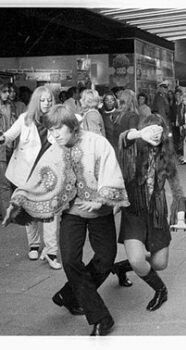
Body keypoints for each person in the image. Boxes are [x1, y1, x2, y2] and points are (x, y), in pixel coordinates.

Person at [3, 104, 130, 335]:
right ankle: (101, 317)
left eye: (59, 129)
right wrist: (17, 201)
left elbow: (111, 168)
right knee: (71, 260)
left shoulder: (97, 142)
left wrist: (101, 199)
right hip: (71, 213)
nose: (55, 135)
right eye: (51, 131)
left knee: (106, 258)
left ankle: (69, 294)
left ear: (72, 125)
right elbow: (37, 178)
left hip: (99, 212)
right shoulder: (55, 149)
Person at [111, 113, 186, 312]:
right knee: (138, 260)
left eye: (158, 131)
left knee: (159, 263)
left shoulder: (167, 156)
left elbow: (177, 188)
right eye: (151, 130)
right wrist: (138, 134)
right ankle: (160, 290)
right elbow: (123, 139)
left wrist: (180, 214)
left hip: (156, 214)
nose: (155, 135)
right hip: (134, 212)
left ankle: (122, 267)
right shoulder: (134, 148)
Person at [0, 86, 61, 269]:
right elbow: (9, 136)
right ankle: (33, 245)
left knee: (51, 212)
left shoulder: (58, 119)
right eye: (42, 100)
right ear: (36, 101)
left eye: (49, 99)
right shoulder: (24, 119)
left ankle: (51, 251)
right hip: (26, 173)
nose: (46, 103)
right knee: (29, 211)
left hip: (50, 174)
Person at [0, 81, 15, 219]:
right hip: (2, 148)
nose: (7, 94)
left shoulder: (9, 106)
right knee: (4, 184)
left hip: (7, 147)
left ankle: (6, 213)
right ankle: (6, 214)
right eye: (4, 91)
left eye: (7, 91)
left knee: (6, 182)